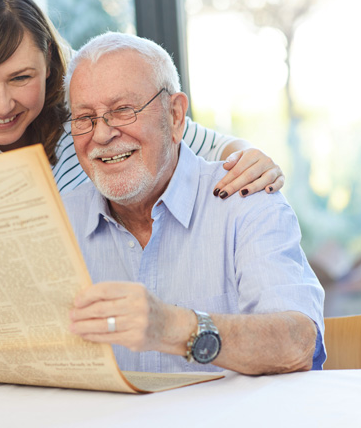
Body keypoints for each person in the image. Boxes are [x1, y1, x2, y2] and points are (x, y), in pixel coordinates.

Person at [0, 0, 289, 369]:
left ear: (49, 67)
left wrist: (248, 156)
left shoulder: (79, 94)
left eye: (21, 78)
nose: (2, 103)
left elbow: (175, 131)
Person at [61, 32, 325, 374]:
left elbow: (297, 345)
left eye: (123, 110)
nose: (101, 134)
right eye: (84, 118)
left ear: (174, 115)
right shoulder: (57, 220)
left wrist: (173, 328)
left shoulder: (246, 201)